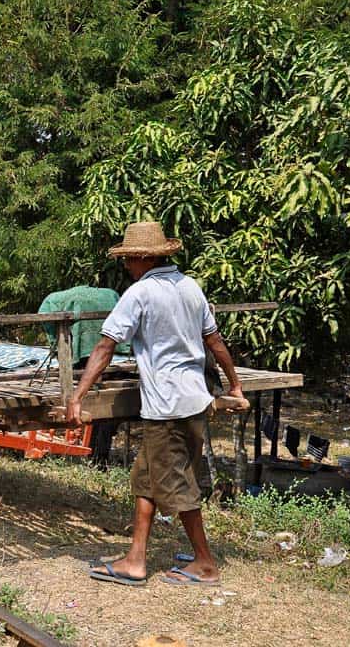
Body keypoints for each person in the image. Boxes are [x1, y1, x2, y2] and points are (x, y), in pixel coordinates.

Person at [66, 221, 247, 587]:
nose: (127, 266)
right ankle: (135, 558)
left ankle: (205, 563)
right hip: (194, 400)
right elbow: (215, 342)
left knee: (177, 486)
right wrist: (235, 384)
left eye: (129, 260)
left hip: (167, 407)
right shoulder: (191, 287)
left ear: (141, 258)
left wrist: (77, 395)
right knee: (146, 480)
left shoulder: (140, 293)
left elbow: (105, 346)